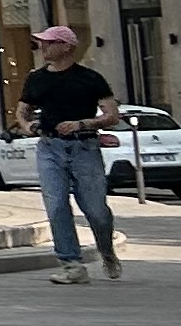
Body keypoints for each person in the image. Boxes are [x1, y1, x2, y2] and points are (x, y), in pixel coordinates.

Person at [18, 22, 125, 284]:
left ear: (67, 47)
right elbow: (22, 111)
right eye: (43, 41)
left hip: (84, 146)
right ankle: (71, 264)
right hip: (49, 148)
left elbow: (112, 115)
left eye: (50, 42)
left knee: (96, 209)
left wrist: (83, 124)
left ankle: (106, 251)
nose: (43, 46)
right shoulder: (37, 78)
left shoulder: (90, 79)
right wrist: (26, 125)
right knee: (56, 206)